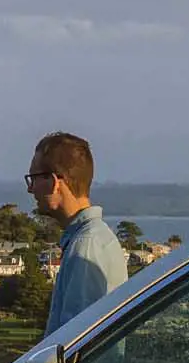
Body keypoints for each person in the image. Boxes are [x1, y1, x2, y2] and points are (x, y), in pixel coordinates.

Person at [29, 131, 128, 333]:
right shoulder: (90, 238)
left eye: (34, 178)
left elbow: (75, 340)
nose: (30, 189)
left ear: (55, 182)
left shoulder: (86, 244)